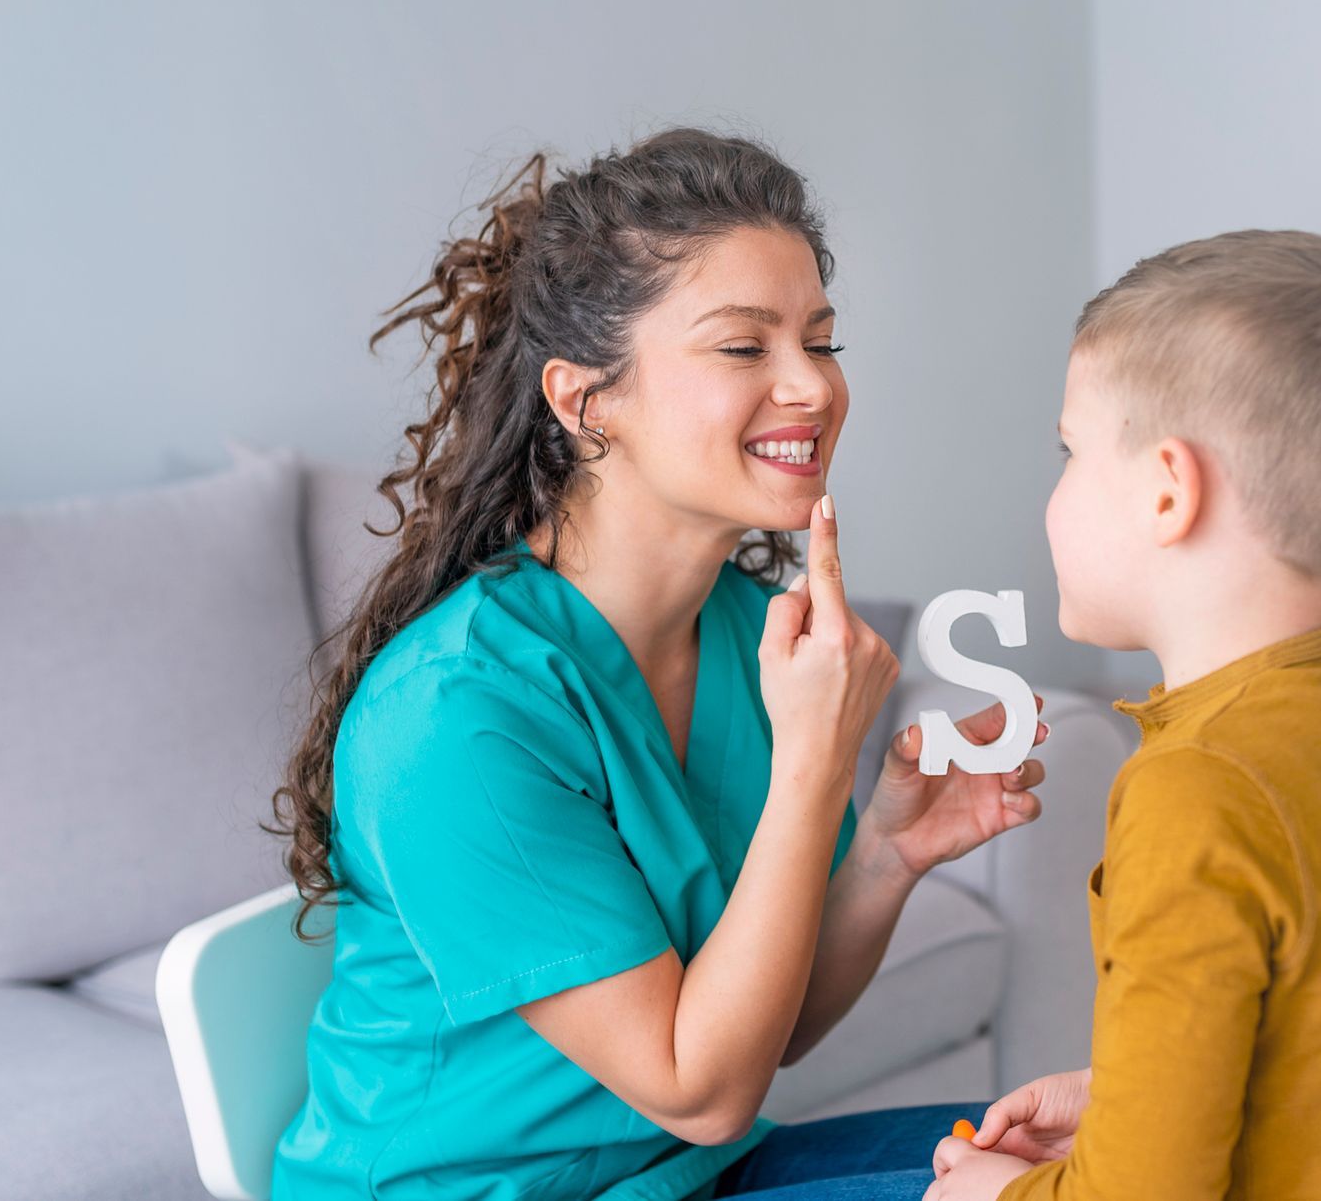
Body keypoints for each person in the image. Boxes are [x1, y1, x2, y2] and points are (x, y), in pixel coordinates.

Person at [266, 128, 1048, 1201]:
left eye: (821, 342)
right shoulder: (457, 714)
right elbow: (703, 1084)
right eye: (745, 348)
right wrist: (816, 768)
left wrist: (888, 853)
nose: (812, 387)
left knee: (1094, 1163)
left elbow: (766, 1024)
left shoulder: (746, 634)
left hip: (679, 1172)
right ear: (587, 401)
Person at [928, 231, 1321, 1200]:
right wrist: (1126, 1100)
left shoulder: (1196, 789)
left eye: (1068, 451)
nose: (1054, 491)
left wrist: (991, 1194)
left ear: (1167, 489)